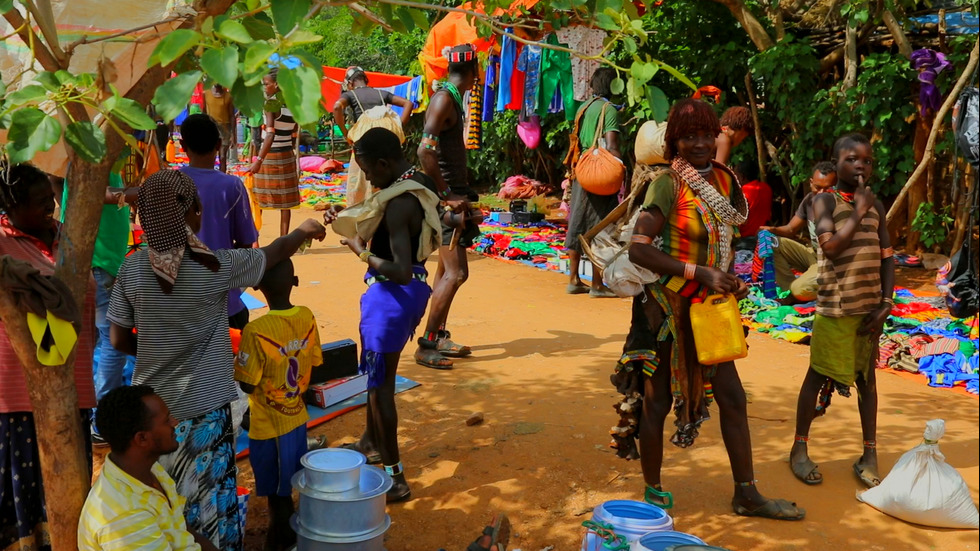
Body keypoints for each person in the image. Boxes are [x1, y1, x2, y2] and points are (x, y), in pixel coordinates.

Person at [108, 169, 326, 550]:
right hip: (207, 409)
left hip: (152, 410)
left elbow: (117, 338)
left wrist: (157, 352)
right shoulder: (214, 267)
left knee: (167, 500)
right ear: (193, 211)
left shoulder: (131, 269)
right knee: (211, 502)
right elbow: (270, 254)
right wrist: (304, 230)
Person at [618, 99, 804, 520]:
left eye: (707, 134)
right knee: (658, 400)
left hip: (711, 309)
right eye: (689, 136)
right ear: (674, 142)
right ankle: (652, 492)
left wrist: (727, 276)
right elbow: (639, 250)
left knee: (733, 398)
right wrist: (699, 272)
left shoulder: (723, 180)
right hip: (667, 308)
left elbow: (725, 238)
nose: (700, 143)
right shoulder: (666, 184)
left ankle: (747, 493)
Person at [331, 128, 441, 501]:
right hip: (409, 295)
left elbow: (399, 269)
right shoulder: (416, 182)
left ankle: (395, 477)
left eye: (368, 172)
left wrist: (358, 248)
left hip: (392, 296)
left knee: (380, 389)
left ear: (383, 163)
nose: (368, 179)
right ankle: (370, 441)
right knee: (377, 381)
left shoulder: (398, 204)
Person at [0, 163, 97, 550]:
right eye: (40, 202)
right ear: (12, 206)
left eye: (51, 198)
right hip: (17, 394)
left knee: (71, 494)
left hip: (75, 389)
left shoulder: (69, 238)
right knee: (22, 500)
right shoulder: (2, 243)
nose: (52, 206)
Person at [788, 133, 894, 488]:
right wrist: (859, 210)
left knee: (868, 382)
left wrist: (886, 304)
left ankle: (869, 453)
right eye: (852, 159)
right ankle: (799, 449)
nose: (860, 166)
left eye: (866, 160)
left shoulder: (876, 206)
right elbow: (831, 248)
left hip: (868, 311)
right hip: (835, 308)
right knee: (817, 375)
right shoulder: (822, 203)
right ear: (836, 165)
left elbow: (887, 259)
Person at [234, 259, 321, 550]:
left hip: (267, 427)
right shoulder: (307, 317)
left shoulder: (256, 330)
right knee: (290, 483)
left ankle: (281, 539)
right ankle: (287, 532)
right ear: (294, 282)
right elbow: (316, 361)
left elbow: (246, 383)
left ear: (256, 286)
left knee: (277, 495)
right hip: (297, 419)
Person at [52, 170, 138, 445]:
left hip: (102, 262)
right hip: (99, 265)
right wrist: (134, 194)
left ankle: (96, 408)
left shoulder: (104, 163)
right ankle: (102, 418)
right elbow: (95, 195)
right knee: (112, 341)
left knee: (102, 341)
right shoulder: (89, 164)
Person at [78, 385, 219, 551]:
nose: (175, 423)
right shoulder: (125, 516)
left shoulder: (150, 471)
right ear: (142, 438)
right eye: (166, 420)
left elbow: (184, 532)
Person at [414, 43, 482, 370]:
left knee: (444, 270)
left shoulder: (450, 96)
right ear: (476, 69)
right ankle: (427, 344)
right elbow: (425, 151)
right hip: (447, 198)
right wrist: (445, 195)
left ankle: (438, 336)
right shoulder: (444, 99)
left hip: (453, 193)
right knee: (457, 273)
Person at [179, 113, 260, 330]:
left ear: (182, 145)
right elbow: (245, 243)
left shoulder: (168, 184)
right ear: (218, 145)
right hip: (224, 302)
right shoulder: (232, 186)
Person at [564, 67, 621, 298]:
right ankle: (598, 284)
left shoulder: (584, 107)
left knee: (577, 221)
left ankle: (574, 279)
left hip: (581, 168)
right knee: (601, 225)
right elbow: (612, 143)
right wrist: (620, 171)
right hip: (599, 171)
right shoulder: (609, 110)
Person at [333, 66, 414, 206]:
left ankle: (362, 212)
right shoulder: (381, 93)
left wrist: (346, 134)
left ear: (350, 84)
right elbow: (408, 103)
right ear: (366, 79)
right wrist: (398, 125)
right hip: (385, 140)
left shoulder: (350, 95)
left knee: (362, 179)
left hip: (364, 143)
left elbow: (336, 107)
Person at [760, 161, 837, 304]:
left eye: (827, 189)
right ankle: (789, 289)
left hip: (832, 263)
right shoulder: (809, 200)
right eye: (817, 187)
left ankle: (798, 293)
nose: (821, 193)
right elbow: (790, 229)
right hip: (814, 255)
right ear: (811, 183)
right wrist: (772, 230)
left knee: (800, 289)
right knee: (772, 243)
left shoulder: (840, 206)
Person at [249, 67, 301, 237]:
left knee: (258, 198)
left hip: (270, 155)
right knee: (285, 203)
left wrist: (259, 160)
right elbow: (294, 132)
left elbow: (270, 133)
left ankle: (253, 237)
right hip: (287, 155)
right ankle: (284, 238)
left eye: (266, 84)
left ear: (276, 85)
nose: (264, 87)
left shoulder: (271, 104)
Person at [734, 161, 772, 251]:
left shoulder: (741, 193)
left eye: (736, 176)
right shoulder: (767, 189)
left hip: (743, 242)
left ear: (742, 177)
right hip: (763, 239)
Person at [203, 83, 237, 173]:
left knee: (222, 156)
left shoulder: (228, 96)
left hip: (225, 128)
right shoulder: (206, 94)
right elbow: (204, 113)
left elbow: (232, 116)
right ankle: (210, 176)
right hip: (211, 127)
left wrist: (233, 134)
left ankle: (222, 177)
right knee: (210, 155)